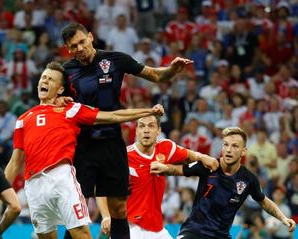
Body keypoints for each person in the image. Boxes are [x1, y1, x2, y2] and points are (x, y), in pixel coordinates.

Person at [61, 22, 193, 239]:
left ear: (91, 37)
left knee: (119, 209)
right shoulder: (66, 71)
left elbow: (156, 76)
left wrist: (172, 69)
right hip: (82, 146)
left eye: (82, 42)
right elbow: (52, 100)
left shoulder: (116, 60)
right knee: (79, 209)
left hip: (112, 142)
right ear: (68, 49)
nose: (79, 49)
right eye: (73, 46)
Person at [4, 62, 164, 239]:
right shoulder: (23, 119)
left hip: (61, 177)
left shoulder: (70, 109)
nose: (45, 81)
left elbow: (112, 116)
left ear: (60, 90)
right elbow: (14, 162)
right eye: (43, 78)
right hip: (33, 183)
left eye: (51, 79)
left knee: (81, 233)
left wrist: (147, 111)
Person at [150, 127, 296, 239]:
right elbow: (179, 170)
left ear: (243, 151)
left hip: (221, 235)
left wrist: (283, 218)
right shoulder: (209, 165)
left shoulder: (248, 179)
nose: (229, 150)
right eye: (226, 145)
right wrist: (163, 167)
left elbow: (263, 201)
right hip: (194, 231)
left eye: (234, 146)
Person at [126, 115, 218, 239]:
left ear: (159, 130)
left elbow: (188, 155)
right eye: (142, 126)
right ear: (136, 130)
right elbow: (104, 187)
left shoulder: (165, 147)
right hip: (131, 226)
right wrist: (106, 216)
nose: (146, 130)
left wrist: (203, 157)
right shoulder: (125, 156)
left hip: (157, 229)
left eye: (151, 126)